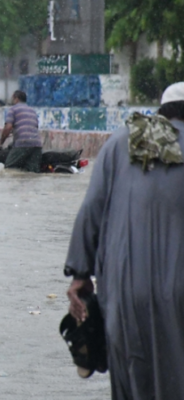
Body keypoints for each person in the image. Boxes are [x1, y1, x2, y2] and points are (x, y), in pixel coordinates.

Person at [64, 82, 184, 399]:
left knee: (131, 378)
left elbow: (91, 209)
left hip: (123, 290)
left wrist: (79, 274)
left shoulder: (121, 142)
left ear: (162, 112)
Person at [0, 90, 42, 172]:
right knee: (33, 173)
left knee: (9, 168)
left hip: (23, 143)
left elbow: (8, 127)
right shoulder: (32, 111)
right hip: (37, 145)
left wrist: (1, 141)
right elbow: (34, 127)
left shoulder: (13, 109)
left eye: (13, 99)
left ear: (16, 98)